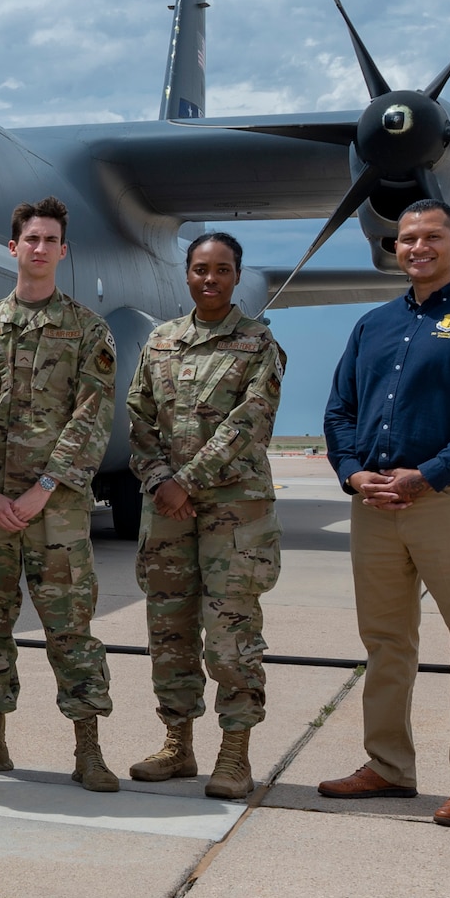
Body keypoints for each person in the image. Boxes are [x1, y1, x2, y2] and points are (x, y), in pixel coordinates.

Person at [318, 200, 450, 828]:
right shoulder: (373, 325)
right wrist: (353, 473)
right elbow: (340, 411)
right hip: (376, 502)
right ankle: (387, 765)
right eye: (407, 239)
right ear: (395, 248)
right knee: (385, 642)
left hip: (449, 497)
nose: (417, 247)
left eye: (431, 236)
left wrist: (428, 474)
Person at [0, 197, 120, 791]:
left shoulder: (86, 329)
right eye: (31, 239)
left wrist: (43, 489)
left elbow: (91, 415)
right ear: (13, 248)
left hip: (56, 512)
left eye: (51, 239)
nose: (41, 248)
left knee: (69, 627)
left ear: (63, 251)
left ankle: (88, 749)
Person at [124, 231, 284, 800]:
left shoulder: (258, 343)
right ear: (185, 274)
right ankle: (177, 743)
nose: (209, 278)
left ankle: (235, 751)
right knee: (169, 630)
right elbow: (138, 416)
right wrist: (158, 481)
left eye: (221, 269)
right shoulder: (160, 341)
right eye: (199, 268)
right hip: (167, 510)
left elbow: (249, 424)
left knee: (230, 634)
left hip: (234, 511)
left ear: (237, 275)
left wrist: (184, 482)